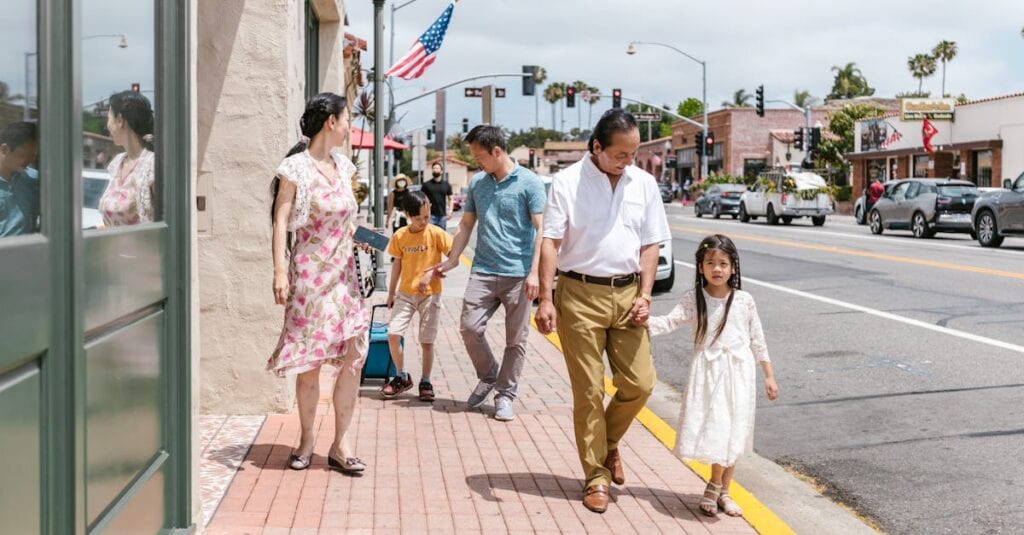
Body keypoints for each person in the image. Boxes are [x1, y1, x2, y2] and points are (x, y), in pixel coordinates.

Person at [536, 109, 670, 513]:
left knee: (640, 383)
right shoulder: (566, 182)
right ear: (597, 146)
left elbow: (651, 245)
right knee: (590, 391)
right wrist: (546, 297)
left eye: (633, 154)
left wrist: (645, 295)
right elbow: (550, 242)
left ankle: (608, 443)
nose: (628, 161)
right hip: (578, 295)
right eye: (621, 154)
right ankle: (596, 476)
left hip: (629, 295)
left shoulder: (644, 184)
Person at [268, 92, 370, 474]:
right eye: (347, 119)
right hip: (310, 277)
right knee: (310, 364)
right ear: (331, 121)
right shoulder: (295, 168)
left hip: (345, 279)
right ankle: (307, 439)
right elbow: (280, 220)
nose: (349, 127)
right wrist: (279, 271)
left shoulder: (344, 167)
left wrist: (361, 235)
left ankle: (341, 445)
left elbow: (345, 218)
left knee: (351, 360)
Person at [646, 234, 779, 518]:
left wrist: (768, 375)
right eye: (710, 263)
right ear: (700, 267)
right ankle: (715, 486)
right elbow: (669, 322)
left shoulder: (744, 300)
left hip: (738, 373)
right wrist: (641, 322)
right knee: (717, 428)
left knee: (735, 430)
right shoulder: (695, 298)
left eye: (723, 263)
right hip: (708, 373)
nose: (717, 269)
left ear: (733, 267)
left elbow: (757, 339)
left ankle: (722, 489)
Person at [432, 125, 546, 422]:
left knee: (516, 340)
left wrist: (535, 273)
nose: (476, 162)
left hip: (518, 274)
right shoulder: (479, 184)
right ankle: (489, 374)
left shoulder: (529, 183)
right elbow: (466, 224)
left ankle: (505, 395)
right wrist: (453, 259)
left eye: (479, 156)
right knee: (469, 327)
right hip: (482, 269)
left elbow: (542, 230)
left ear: (497, 151)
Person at [382, 190, 453, 402]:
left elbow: (454, 255)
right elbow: (397, 264)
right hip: (405, 293)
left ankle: (425, 380)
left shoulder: (436, 233)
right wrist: (391, 292)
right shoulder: (400, 235)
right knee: (393, 334)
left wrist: (433, 272)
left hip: (431, 295)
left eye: (426, 216)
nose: (423, 221)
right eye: (418, 217)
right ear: (407, 215)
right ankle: (402, 375)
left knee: (426, 341)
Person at [98, 90, 156, 227]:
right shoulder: (116, 163)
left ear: (119, 120)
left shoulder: (152, 165)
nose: (107, 126)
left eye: (108, 118)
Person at [0, 121, 40, 236]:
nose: (29, 161)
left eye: (33, 156)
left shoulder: (34, 181)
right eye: (23, 155)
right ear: (4, 149)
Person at [421, 162, 453, 230]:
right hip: (429, 215)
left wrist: (450, 211)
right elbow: (421, 199)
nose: (435, 170)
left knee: (441, 236)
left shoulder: (446, 184)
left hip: (442, 216)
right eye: (433, 168)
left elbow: (451, 199)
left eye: (437, 168)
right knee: (429, 235)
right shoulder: (426, 185)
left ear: (441, 171)